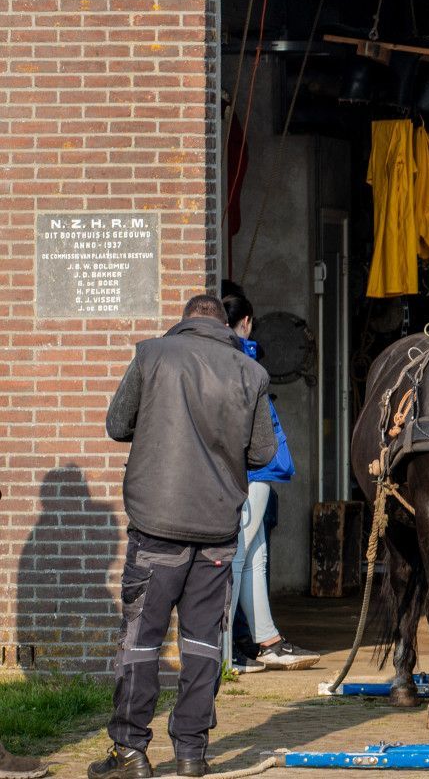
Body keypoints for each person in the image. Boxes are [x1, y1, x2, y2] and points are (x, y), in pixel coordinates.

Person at [95, 295, 276, 779]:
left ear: (185, 321)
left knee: (141, 641)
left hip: (157, 527)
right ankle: (191, 753)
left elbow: (117, 425)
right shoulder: (250, 373)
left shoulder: (152, 355)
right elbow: (262, 452)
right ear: (224, 325)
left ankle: (130, 752)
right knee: (202, 643)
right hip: (216, 530)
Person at [222, 294, 318, 673]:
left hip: (253, 469)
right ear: (246, 321)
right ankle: (223, 651)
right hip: (255, 470)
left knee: (254, 555)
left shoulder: (230, 360)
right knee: (241, 553)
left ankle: (267, 641)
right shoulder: (245, 359)